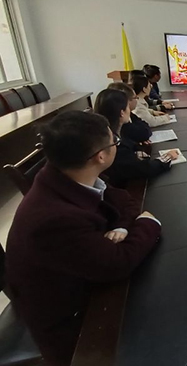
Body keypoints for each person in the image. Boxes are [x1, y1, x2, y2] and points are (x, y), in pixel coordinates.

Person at [5, 111, 162, 366]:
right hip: (71, 322)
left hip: (84, 282)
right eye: (115, 141)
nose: (117, 145)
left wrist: (123, 228)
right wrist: (148, 223)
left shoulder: (65, 175)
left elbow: (123, 200)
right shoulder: (53, 219)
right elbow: (117, 264)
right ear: (101, 156)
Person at [94, 89, 177, 188]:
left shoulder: (111, 132)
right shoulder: (112, 142)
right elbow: (145, 169)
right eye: (127, 107)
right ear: (122, 113)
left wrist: (137, 149)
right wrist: (168, 157)